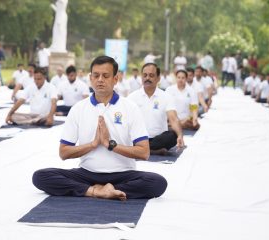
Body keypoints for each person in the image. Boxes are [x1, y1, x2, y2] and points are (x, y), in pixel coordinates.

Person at [32, 56, 167, 200]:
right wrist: (93, 144)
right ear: (90, 78)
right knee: (41, 176)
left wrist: (111, 145)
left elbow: (144, 152)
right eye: (96, 75)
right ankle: (97, 191)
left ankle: (102, 189)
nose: (100, 80)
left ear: (115, 79)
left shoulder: (130, 108)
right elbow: (64, 152)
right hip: (87, 173)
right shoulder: (79, 108)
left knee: (157, 183)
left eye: (106, 76)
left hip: (122, 174)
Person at [128, 63, 184, 155]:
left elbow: (173, 119)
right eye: (145, 75)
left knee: (172, 135)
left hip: (158, 139)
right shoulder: (132, 97)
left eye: (151, 75)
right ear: (141, 77)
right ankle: (151, 150)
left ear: (158, 78)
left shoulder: (166, 97)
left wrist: (180, 135)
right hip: (138, 138)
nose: (147, 78)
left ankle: (142, 150)